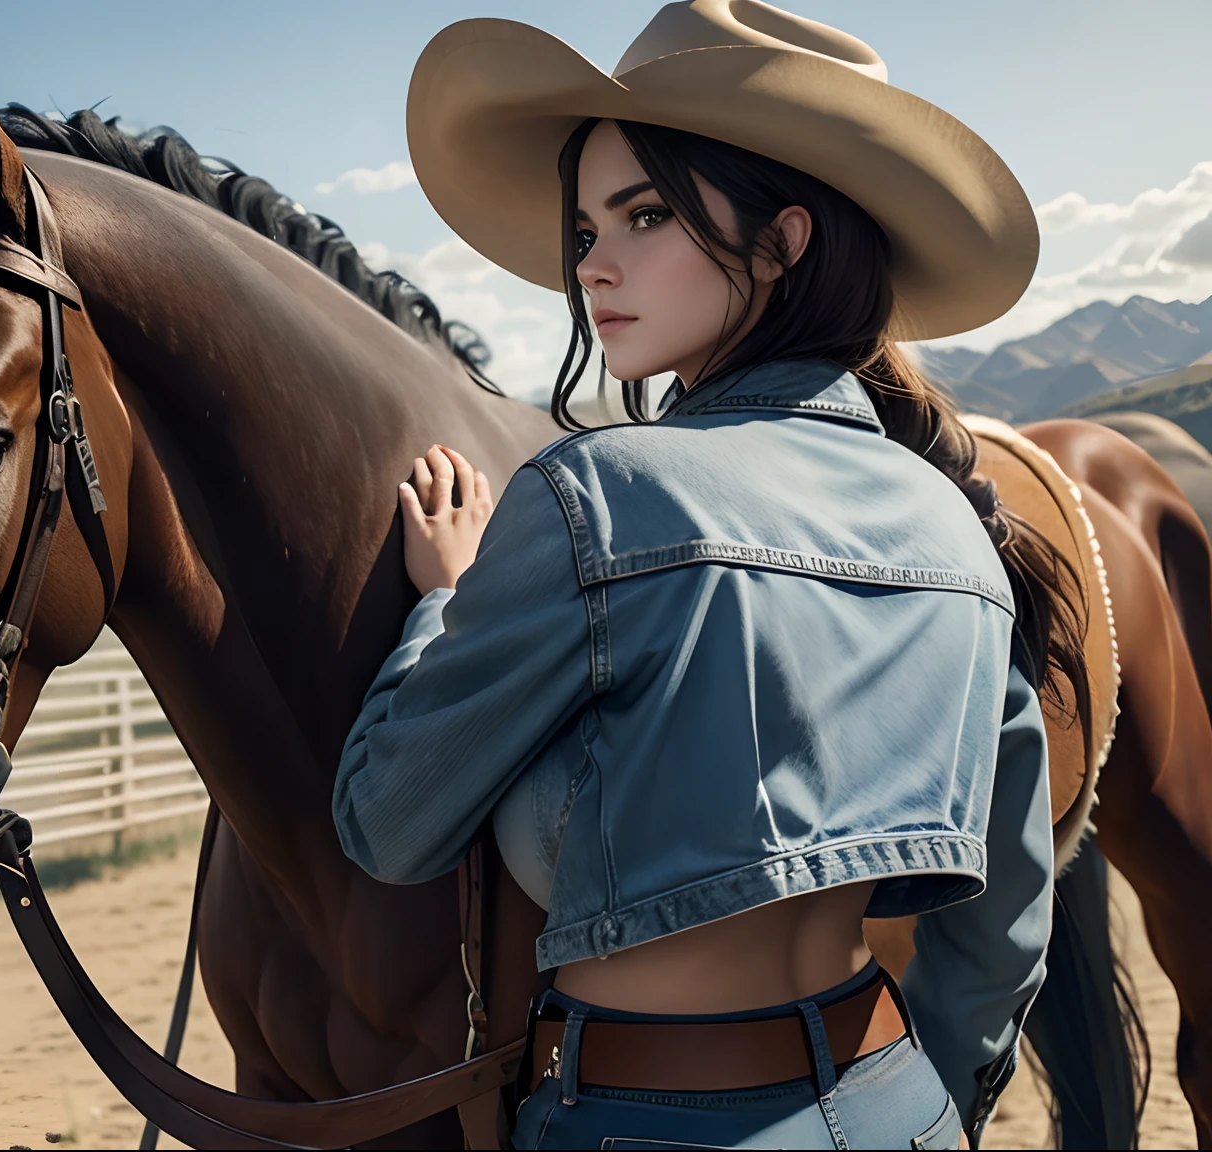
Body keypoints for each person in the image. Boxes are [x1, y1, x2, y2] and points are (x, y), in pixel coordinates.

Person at [333, 3, 1078, 1147]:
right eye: (583, 230)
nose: (596, 264)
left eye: (646, 214)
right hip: (903, 1107)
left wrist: (441, 599)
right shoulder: (958, 524)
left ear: (785, 240)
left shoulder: (595, 494)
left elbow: (388, 826)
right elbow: (1008, 906)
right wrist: (944, 1100)